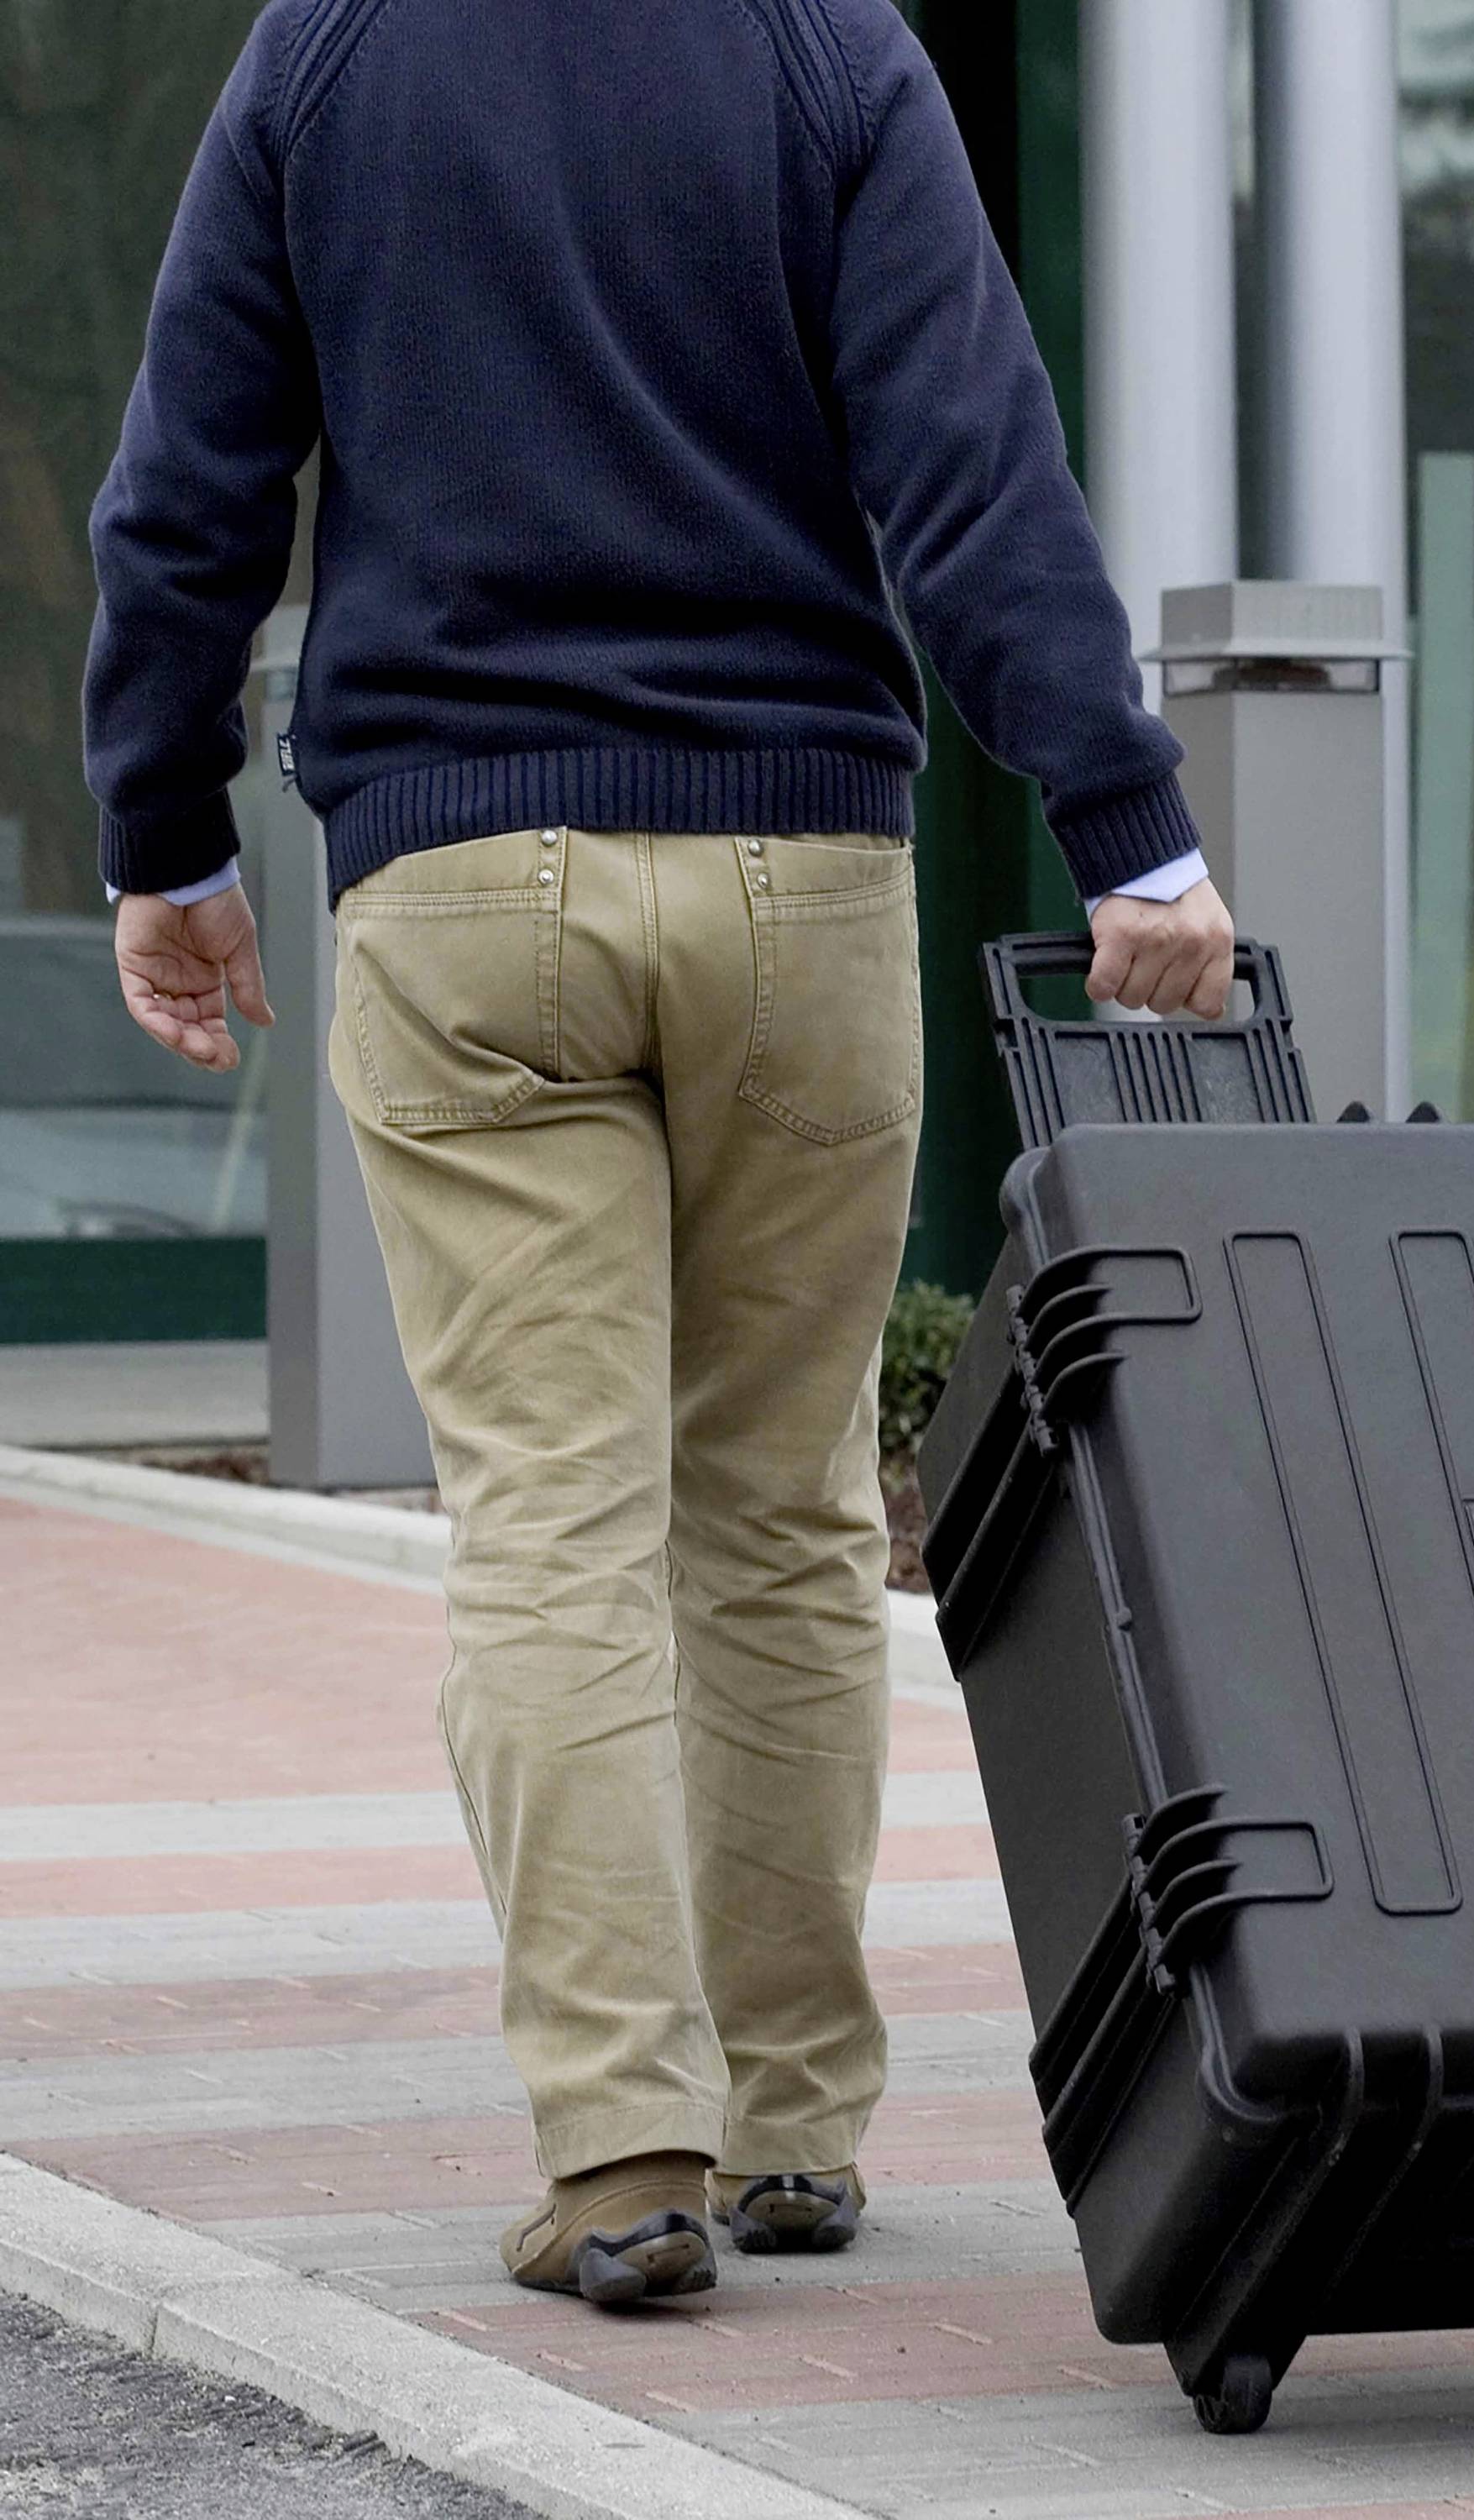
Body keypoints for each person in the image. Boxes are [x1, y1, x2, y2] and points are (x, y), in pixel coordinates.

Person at [83, 0, 1233, 2307]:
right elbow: (970, 461)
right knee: (786, 1509)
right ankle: (797, 2116)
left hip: (458, 880)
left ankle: (625, 2152)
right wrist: (1129, 827)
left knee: (549, 1524)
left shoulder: (330, 51)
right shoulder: (828, 47)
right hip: (798, 877)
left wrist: (165, 827)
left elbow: (190, 473)